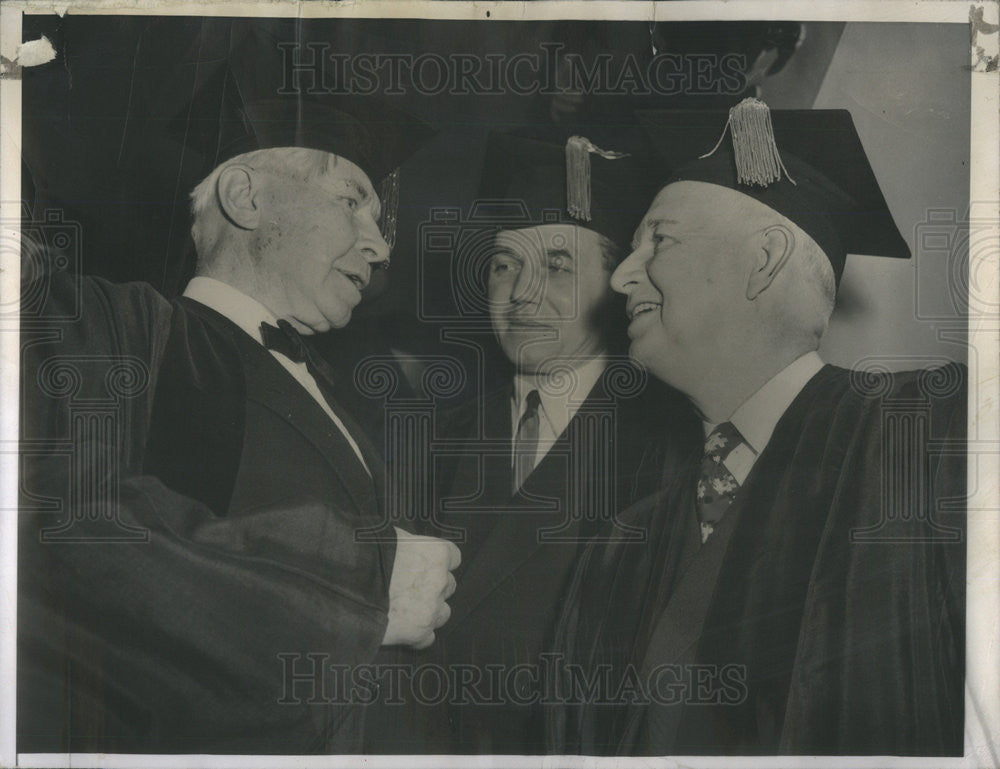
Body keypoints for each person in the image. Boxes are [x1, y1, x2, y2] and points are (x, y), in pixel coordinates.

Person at [18, 96, 460, 754]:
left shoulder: (352, 408)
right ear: (245, 196)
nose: (379, 242)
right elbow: (56, 530)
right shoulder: (115, 328)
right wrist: (361, 591)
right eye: (351, 200)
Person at [549, 100, 966, 756]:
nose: (624, 276)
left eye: (659, 239)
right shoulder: (619, 546)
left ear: (766, 258)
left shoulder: (933, 437)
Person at [386, 128, 698, 754]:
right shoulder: (420, 432)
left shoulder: (673, 453)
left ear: (617, 288)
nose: (522, 292)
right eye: (505, 265)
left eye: (557, 266)